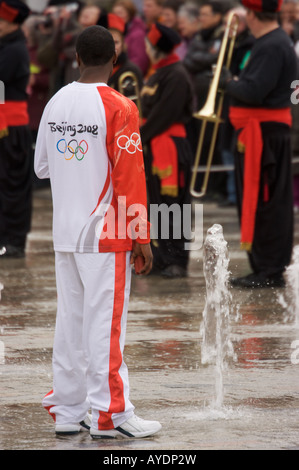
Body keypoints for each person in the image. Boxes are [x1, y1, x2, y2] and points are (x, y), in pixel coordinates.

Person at [34, 24, 162, 439]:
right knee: (104, 325)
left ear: (75, 58)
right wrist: (141, 236)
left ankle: (69, 411)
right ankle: (111, 415)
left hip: (65, 231)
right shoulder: (120, 106)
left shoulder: (55, 102)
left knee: (70, 322)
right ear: (115, 61)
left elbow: (42, 167)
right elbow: (131, 177)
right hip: (105, 235)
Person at [226, 0, 298, 288]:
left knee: (266, 201)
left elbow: (253, 91)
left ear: (253, 15)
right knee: (266, 200)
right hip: (264, 133)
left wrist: (226, 83)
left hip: (264, 135)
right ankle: (266, 266)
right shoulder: (275, 41)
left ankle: (268, 269)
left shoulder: (270, 45)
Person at [140, 22, 193, 278]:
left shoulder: (176, 74)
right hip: (155, 145)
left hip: (171, 147)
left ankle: (177, 260)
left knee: (175, 207)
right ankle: (161, 257)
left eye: (149, 46)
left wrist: (138, 137)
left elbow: (162, 116)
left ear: (155, 49)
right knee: (157, 204)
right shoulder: (159, 71)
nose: (146, 49)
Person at [0, 0, 32, 258]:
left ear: (11, 24)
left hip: (11, 127)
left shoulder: (15, 50)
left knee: (12, 185)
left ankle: (15, 239)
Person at [98, 12, 143, 99]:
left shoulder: (131, 70)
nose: (113, 47)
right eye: (109, 41)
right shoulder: (96, 68)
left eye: (116, 42)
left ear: (123, 44)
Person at [112, 0, 149, 76]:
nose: (117, 16)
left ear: (129, 14)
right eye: (115, 13)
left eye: (120, 13)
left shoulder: (137, 34)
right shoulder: (120, 31)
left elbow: (139, 61)